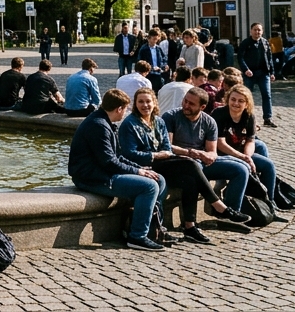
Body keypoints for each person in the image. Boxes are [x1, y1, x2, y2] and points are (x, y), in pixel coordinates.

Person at [119, 87, 249, 245]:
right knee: (191, 164)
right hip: (147, 165)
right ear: (135, 104)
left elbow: (167, 146)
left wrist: (204, 155)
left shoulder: (158, 121)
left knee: (191, 180)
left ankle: (190, 227)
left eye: (148, 101)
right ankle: (220, 207)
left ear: (154, 103)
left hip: (165, 162)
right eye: (141, 102)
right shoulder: (131, 124)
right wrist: (156, 155)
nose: (145, 105)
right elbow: (130, 154)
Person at [68, 88, 167, 251]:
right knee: (149, 186)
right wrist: (138, 172)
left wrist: (140, 168)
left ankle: (153, 228)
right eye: (126, 108)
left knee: (159, 179)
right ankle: (137, 236)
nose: (126, 112)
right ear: (119, 109)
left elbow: (118, 157)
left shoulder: (105, 122)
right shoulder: (98, 125)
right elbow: (109, 162)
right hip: (93, 178)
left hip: (103, 173)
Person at [162, 87, 251, 215]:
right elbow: (168, 147)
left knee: (241, 169)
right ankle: (219, 209)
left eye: (191, 104)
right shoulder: (170, 117)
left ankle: (231, 213)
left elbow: (212, 151)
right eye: (185, 101)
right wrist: (191, 153)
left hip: (201, 161)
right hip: (181, 162)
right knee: (195, 166)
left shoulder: (209, 122)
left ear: (202, 107)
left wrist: (209, 156)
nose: (186, 105)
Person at [212, 85, 278, 203]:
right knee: (242, 168)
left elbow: (250, 140)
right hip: (221, 154)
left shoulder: (249, 116)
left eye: (241, 101)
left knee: (268, 165)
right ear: (228, 100)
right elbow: (220, 143)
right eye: (233, 99)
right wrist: (242, 157)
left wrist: (247, 157)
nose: (236, 103)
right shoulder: (219, 114)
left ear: (246, 104)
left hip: (240, 152)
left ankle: (270, 203)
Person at [237, 23, 276, 128]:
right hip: (249, 73)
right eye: (255, 30)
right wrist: (246, 69)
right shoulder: (246, 43)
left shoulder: (265, 43)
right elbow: (240, 57)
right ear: (251, 31)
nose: (257, 32)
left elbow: (269, 58)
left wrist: (272, 72)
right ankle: (245, 117)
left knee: (267, 95)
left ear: (262, 31)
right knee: (246, 96)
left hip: (263, 73)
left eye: (259, 30)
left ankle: (267, 118)